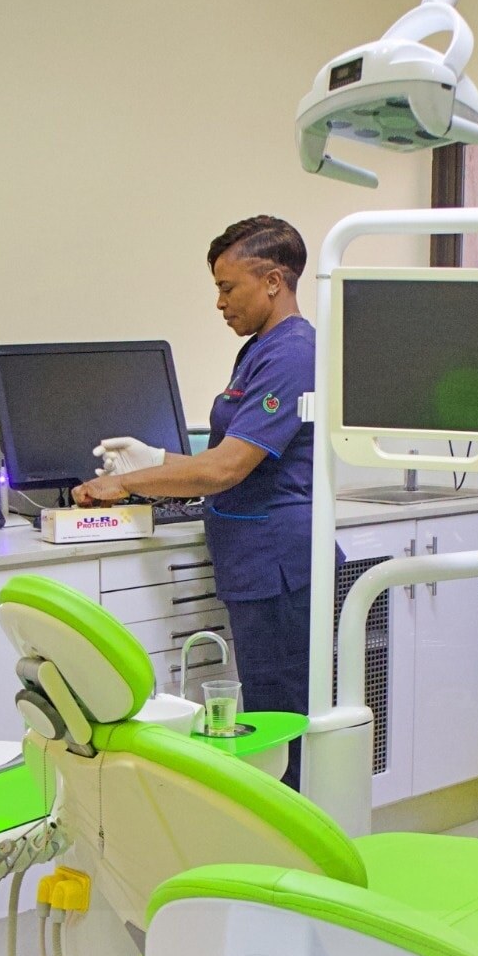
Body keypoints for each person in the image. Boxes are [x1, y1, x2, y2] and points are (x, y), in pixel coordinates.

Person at [73, 215, 322, 788]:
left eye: (227, 287)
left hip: (280, 571)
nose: (218, 302)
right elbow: (226, 452)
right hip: (256, 566)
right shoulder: (260, 349)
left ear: (273, 282)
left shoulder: (293, 353)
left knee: (284, 727)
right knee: (268, 715)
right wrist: (154, 458)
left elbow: (228, 467)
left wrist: (133, 481)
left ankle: (297, 858)